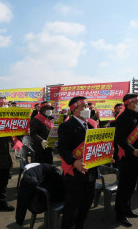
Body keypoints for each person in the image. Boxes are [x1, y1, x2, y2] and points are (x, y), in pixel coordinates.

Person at [58, 96, 99, 229]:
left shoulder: (92, 124)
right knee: (71, 209)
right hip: (75, 175)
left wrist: (106, 154)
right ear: (75, 111)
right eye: (84, 107)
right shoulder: (66, 126)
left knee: (85, 207)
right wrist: (73, 161)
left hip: (91, 172)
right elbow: (63, 149)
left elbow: (96, 145)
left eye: (87, 106)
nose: (88, 109)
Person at [114, 93, 138, 227]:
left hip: (137, 156)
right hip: (128, 157)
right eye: (137, 102)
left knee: (131, 186)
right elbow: (119, 139)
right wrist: (132, 150)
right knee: (124, 187)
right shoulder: (123, 117)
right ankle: (120, 214)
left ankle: (127, 209)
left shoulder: (136, 116)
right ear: (129, 103)